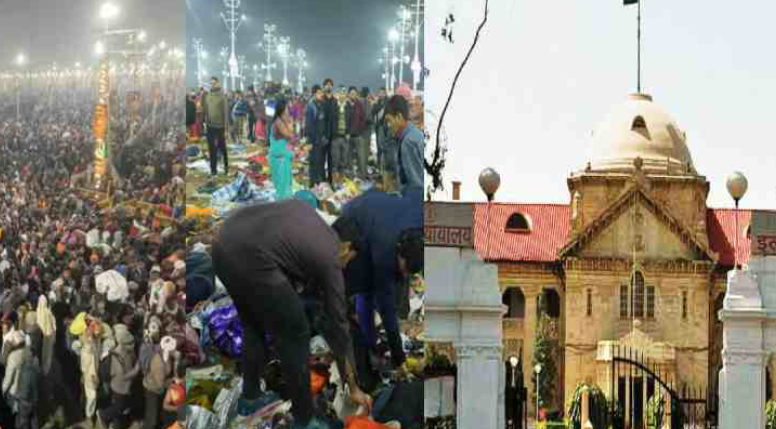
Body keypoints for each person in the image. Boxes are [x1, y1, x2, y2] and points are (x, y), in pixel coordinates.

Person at [211, 200, 373, 429]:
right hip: (250, 256)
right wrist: (353, 386)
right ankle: (304, 420)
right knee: (295, 334)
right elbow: (339, 324)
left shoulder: (312, 221)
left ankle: (250, 398)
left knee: (253, 323)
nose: (345, 265)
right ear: (347, 247)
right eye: (349, 260)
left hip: (222, 243)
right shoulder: (329, 257)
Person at [333, 185, 423, 369]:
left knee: (392, 282)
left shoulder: (422, 222)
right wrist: (399, 357)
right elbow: (386, 305)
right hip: (355, 218)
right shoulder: (384, 251)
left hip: (379, 206)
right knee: (365, 287)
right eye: (403, 269)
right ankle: (367, 344)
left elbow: (412, 190)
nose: (404, 277)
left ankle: (373, 340)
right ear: (398, 252)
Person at [383, 95, 424, 191]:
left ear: (399, 117)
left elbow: (416, 184)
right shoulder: (411, 134)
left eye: (389, 121)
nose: (388, 126)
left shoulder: (408, 142)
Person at [2, 329, 40, 429]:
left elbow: (8, 380)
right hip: (32, 393)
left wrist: (2, 391)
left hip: (15, 393)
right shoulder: (32, 354)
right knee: (32, 419)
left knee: (18, 419)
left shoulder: (13, 356)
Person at [201, 77, 230, 177]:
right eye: (211, 83)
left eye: (214, 83)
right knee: (211, 148)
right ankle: (213, 170)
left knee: (222, 147)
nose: (212, 85)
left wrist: (226, 129)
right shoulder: (207, 96)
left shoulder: (223, 97)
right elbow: (205, 110)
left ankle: (226, 167)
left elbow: (226, 113)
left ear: (218, 84)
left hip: (220, 126)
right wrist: (204, 123)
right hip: (210, 126)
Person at [269, 99, 295, 201]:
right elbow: (289, 136)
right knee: (282, 183)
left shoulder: (281, 120)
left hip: (280, 153)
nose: (288, 110)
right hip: (279, 155)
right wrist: (290, 123)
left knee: (283, 182)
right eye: (287, 108)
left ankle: (283, 202)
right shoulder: (279, 121)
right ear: (282, 109)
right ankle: (282, 204)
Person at [305, 85, 328, 187]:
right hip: (313, 140)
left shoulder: (321, 105)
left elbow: (322, 123)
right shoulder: (311, 107)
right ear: (314, 94)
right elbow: (309, 125)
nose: (321, 94)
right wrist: (309, 141)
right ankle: (312, 184)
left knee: (319, 163)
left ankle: (318, 183)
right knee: (313, 163)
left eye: (321, 93)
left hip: (320, 140)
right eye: (319, 93)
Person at [330, 87, 352, 187]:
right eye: (340, 93)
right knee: (335, 161)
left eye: (344, 93)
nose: (342, 95)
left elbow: (352, 121)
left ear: (345, 95)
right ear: (338, 95)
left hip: (345, 137)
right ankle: (335, 182)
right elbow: (329, 121)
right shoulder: (333, 106)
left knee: (343, 161)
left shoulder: (349, 107)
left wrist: (349, 133)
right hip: (335, 137)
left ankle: (341, 182)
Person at [347, 87, 368, 180]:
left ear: (357, 95)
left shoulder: (360, 105)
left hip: (358, 135)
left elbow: (363, 118)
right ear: (348, 94)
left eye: (354, 94)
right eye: (351, 93)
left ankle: (361, 177)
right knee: (349, 157)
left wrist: (360, 130)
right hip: (348, 136)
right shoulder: (345, 105)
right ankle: (350, 177)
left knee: (361, 157)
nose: (353, 95)